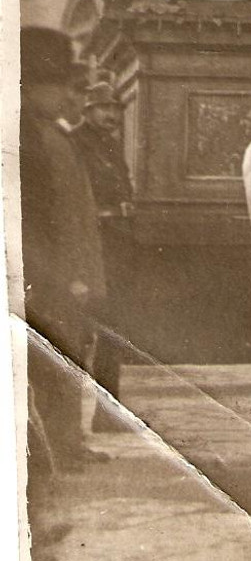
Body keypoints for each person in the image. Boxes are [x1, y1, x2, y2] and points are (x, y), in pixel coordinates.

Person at [20, 27, 109, 561]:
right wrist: (62, 278)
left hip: (59, 281)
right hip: (44, 283)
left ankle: (60, 458)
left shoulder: (50, 135)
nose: (64, 96)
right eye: (55, 85)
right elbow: (38, 223)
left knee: (59, 371)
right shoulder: (29, 140)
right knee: (44, 378)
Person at [74, 81, 133, 432]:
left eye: (114, 108)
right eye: (103, 108)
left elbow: (124, 188)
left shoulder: (111, 145)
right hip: (88, 245)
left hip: (114, 246)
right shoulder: (77, 143)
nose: (111, 114)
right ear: (88, 110)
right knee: (83, 331)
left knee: (112, 327)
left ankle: (107, 412)